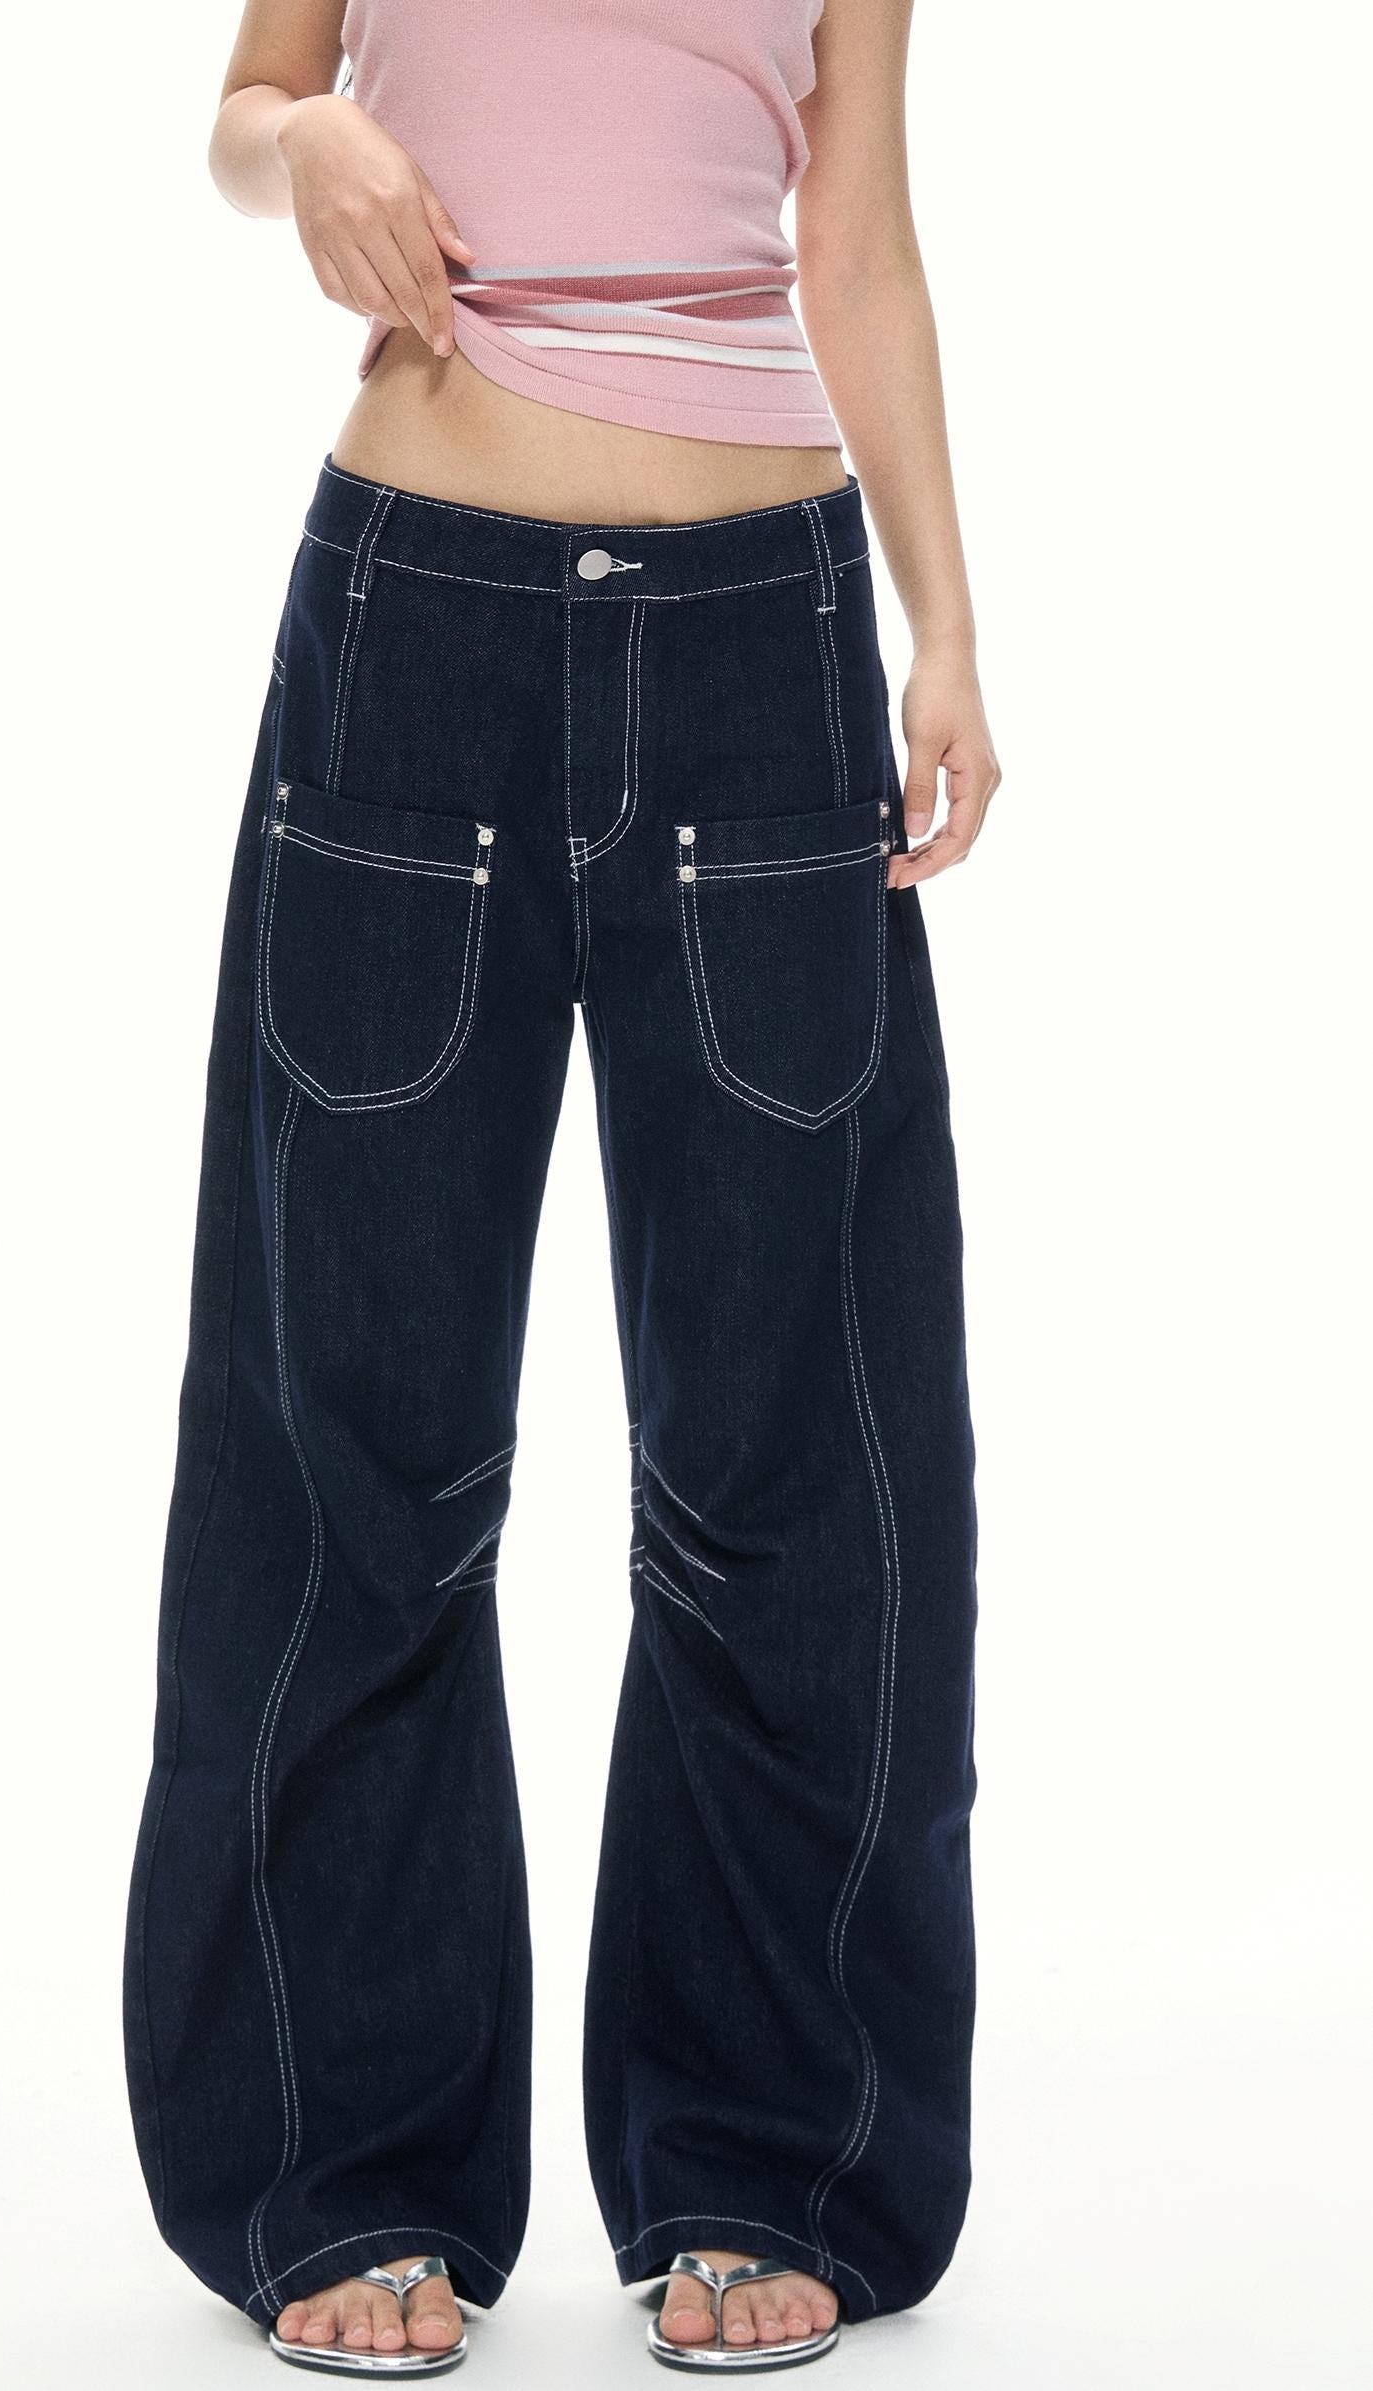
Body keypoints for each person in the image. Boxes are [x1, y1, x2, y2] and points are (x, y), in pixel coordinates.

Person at [122, 0, 999, 2373]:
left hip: (765, 643)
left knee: (789, 1465)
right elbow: (243, 115)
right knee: (355, 1453)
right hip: (417, 620)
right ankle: (345, 2166)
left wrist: (940, 624)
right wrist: (302, 144)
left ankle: (763, 2157)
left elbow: (855, 237)